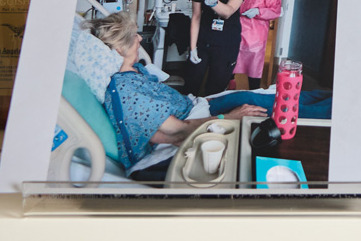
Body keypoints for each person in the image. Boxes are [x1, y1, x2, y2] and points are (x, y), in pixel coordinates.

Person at [84, 12, 266, 175]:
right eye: (133, 36)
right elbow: (176, 130)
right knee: (255, 109)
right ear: (119, 49)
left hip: (194, 108)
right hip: (190, 121)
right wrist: (229, 117)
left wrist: (206, 101)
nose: (139, 38)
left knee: (255, 101)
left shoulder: (136, 71)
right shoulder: (126, 89)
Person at [187, 0, 250, 97]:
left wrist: (213, 2)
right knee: (191, 84)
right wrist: (193, 47)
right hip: (203, 40)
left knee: (215, 88)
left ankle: (211, 118)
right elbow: (196, 16)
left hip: (226, 44)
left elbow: (227, 12)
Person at [234, 0, 282, 90]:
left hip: (256, 35)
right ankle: (228, 89)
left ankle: (254, 94)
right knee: (231, 62)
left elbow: (276, 10)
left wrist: (259, 11)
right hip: (236, 30)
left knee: (254, 66)